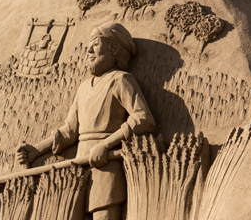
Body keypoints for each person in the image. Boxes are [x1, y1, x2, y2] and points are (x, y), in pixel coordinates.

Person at [16, 22, 156, 220]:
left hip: (105, 168)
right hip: (79, 170)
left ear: (114, 48)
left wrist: (105, 145)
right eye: (89, 44)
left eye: (96, 43)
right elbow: (69, 132)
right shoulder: (83, 88)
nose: (88, 49)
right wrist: (36, 150)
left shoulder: (121, 80)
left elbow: (143, 118)